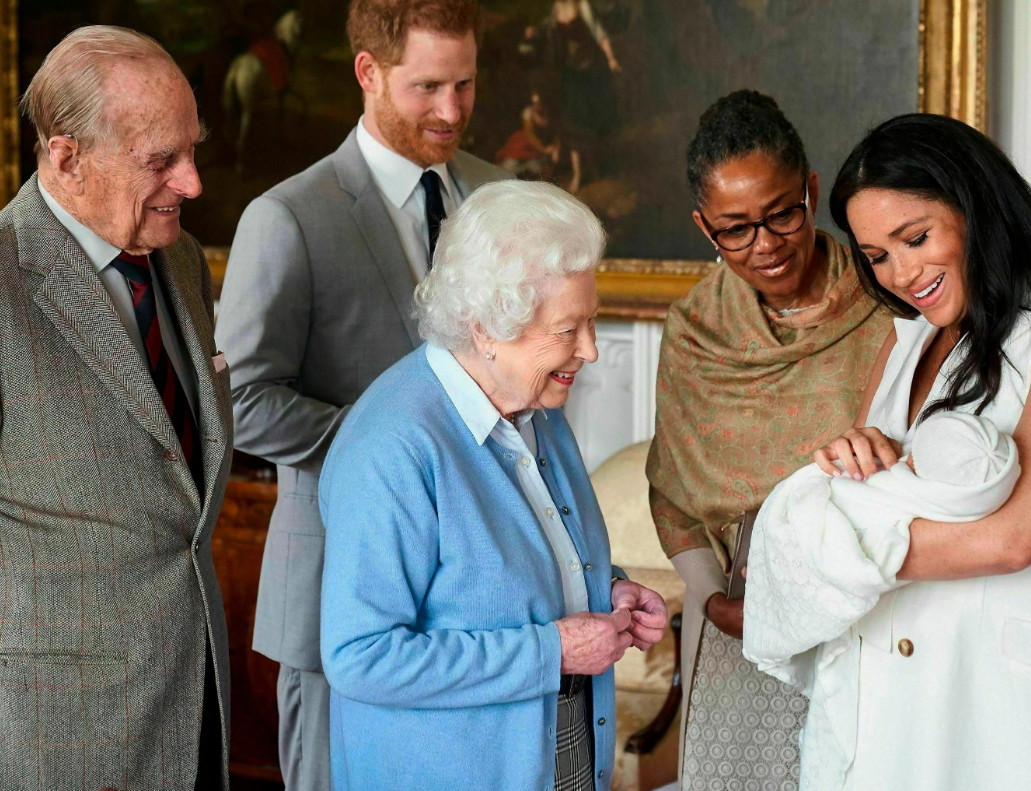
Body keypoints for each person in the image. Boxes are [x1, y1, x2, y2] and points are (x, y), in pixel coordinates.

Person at [213, 1, 510, 788]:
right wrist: (393, 443)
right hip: (335, 593)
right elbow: (239, 399)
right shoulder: (286, 218)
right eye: (428, 87)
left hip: (481, 603)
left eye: (466, 84)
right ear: (367, 73)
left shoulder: (498, 196)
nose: (452, 112)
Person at [318, 180, 668, 791]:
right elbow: (361, 658)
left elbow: (506, 579)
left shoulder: (539, 409)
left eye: (592, 321)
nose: (588, 349)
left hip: (561, 756)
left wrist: (606, 593)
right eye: (568, 329)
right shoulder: (392, 448)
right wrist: (550, 652)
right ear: (485, 327)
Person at [1, 26, 233, 789]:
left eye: (191, 149)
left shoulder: (185, 261)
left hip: (200, 699)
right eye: (161, 161)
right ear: (66, 159)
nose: (192, 183)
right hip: (61, 727)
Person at [645, 90, 893, 790]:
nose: (765, 244)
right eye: (735, 228)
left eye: (782, 213)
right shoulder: (694, 331)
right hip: (735, 616)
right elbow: (672, 490)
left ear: (811, 191)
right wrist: (710, 600)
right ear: (703, 227)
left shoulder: (888, 306)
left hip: (868, 602)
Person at [804, 112, 1031, 790]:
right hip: (881, 672)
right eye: (876, 255)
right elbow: (868, 487)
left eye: (915, 237)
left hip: (980, 688)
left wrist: (822, 545)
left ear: (973, 207)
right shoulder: (902, 343)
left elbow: (1015, 538)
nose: (901, 273)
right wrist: (852, 455)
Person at [743, 410, 1020, 788]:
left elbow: (1009, 543)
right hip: (865, 650)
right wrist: (860, 450)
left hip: (953, 666)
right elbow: (851, 467)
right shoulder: (900, 347)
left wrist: (804, 554)